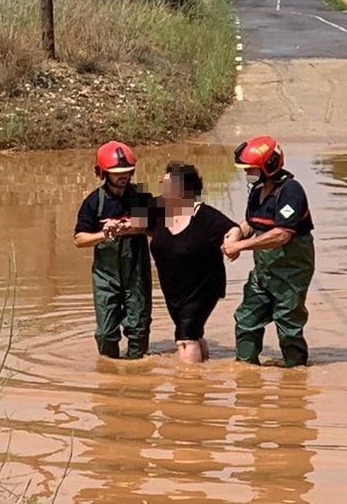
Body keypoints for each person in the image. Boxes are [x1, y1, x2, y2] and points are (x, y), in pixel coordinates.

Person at [223, 136, 316, 367]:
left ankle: (295, 379)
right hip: (263, 271)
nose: (248, 174)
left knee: (289, 326)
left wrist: (241, 246)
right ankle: (245, 372)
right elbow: (252, 223)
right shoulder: (257, 191)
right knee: (246, 319)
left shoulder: (291, 191)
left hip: (291, 272)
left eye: (252, 169)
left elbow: (281, 234)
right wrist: (236, 232)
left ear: (269, 165)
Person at [149, 162, 243, 364]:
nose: (162, 190)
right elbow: (133, 223)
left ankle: (188, 388)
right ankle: (202, 376)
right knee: (193, 332)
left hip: (203, 288)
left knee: (185, 336)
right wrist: (117, 226)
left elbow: (233, 229)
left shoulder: (206, 216)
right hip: (174, 288)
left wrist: (231, 242)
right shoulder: (159, 211)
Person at [73, 141, 154, 359]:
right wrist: (104, 234)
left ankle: (138, 376)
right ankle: (109, 374)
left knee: (138, 329)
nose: (123, 177)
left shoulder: (141, 197)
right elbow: (79, 239)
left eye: (127, 172)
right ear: (103, 173)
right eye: (117, 173)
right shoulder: (93, 202)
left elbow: (161, 231)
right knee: (106, 332)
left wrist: (135, 228)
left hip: (136, 273)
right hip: (105, 277)